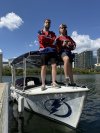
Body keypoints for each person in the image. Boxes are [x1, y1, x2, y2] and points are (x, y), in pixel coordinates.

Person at [38, 19, 60, 91]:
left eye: (49, 23)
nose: (48, 24)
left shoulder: (52, 33)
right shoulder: (40, 32)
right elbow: (42, 40)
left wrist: (48, 39)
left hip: (52, 51)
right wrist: (49, 40)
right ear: (44, 23)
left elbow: (54, 41)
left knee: (54, 65)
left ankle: (53, 82)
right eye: (46, 22)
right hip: (43, 51)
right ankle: (43, 84)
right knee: (43, 66)